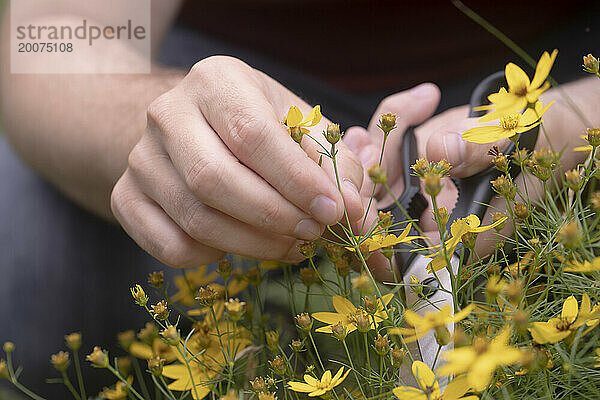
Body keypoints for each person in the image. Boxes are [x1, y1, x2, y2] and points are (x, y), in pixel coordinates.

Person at [0, 0, 598, 397]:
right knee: (28, 240)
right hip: (225, 74)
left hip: (558, 72)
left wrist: (579, 126)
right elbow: (51, 32)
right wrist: (162, 131)